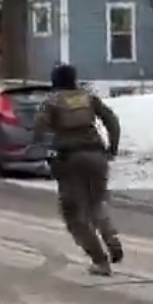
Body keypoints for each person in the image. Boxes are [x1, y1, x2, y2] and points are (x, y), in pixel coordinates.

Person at [35, 63, 122, 276]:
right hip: (96, 155)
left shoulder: (51, 102)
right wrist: (112, 147)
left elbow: (39, 131)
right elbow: (111, 120)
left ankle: (100, 261)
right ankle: (110, 235)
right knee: (96, 202)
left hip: (70, 159)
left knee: (73, 214)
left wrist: (45, 149)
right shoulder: (87, 98)